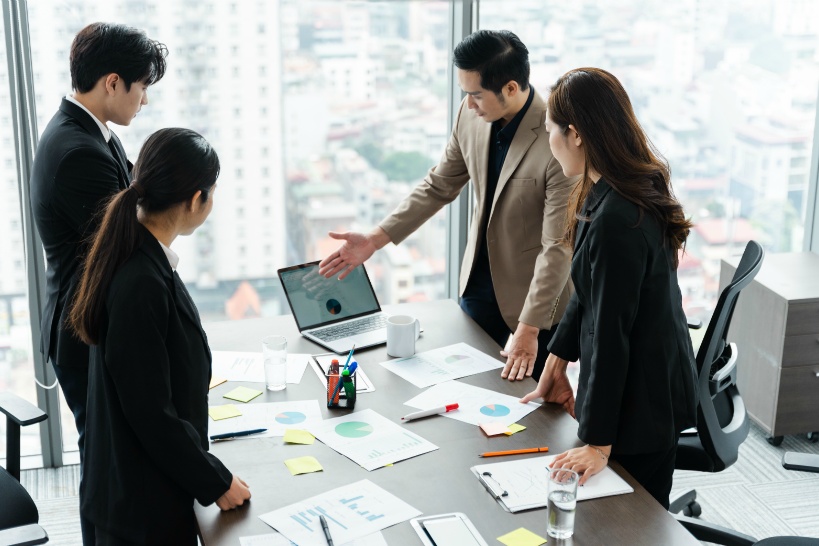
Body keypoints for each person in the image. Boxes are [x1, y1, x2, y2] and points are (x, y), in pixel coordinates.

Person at [319, 30, 576, 381]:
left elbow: (556, 247)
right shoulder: (471, 115)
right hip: (476, 292)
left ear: (512, 88)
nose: (468, 104)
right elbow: (439, 185)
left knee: (533, 419)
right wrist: (375, 240)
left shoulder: (556, 140)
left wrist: (530, 328)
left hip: (534, 309)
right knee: (468, 399)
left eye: (476, 95)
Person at [520, 68, 698, 509]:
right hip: (655, 381)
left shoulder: (617, 219)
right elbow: (588, 289)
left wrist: (598, 443)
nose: (549, 142)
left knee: (635, 526)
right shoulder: (614, 189)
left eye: (551, 132)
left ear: (576, 134)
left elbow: (609, 335)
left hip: (644, 404)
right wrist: (557, 361)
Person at [68, 128, 251, 544]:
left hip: (137, 486)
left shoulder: (140, 252)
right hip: (139, 507)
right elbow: (150, 412)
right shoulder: (140, 280)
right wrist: (216, 481)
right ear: (194, 200)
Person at [29, 23, 167, 544]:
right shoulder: (78, 150)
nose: (144, 100)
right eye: (141, 87)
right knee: (105, 465)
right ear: (113, 82)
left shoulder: (89, 133)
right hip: (84, 330)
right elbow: (124, 245)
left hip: (83, 322)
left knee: (106, 457)